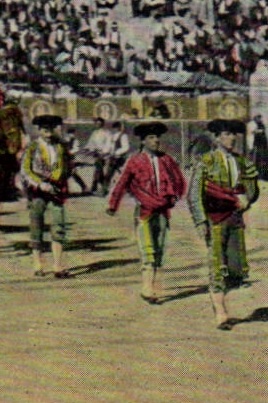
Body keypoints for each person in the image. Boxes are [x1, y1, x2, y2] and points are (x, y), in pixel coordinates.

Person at [188, 118, 260, 329]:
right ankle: (221, 312)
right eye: (227, 134)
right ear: (217, 138)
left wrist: (249, 197)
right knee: (217, 264)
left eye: (233, 134)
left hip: (235, 219)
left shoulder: (242, 162)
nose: (232, 138)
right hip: (214, 219)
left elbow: (252, 189)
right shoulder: (207, 161)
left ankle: (221, 302)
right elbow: (194, 193)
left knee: (237, 268)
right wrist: (201, 221)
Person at [107, 121, 187, 305]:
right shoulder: (135, 161)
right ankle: (147, 288)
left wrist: (175, 197)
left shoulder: (167, 160)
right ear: (143, 141)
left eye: (157, 137)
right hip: (144, 212)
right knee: (147, 249)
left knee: (160, 248)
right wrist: (113, 204)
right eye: (151, 137)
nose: (156, 140)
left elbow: (179, 181)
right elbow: (122, 183)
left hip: (163, 211)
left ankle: (155, 287)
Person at [21, 114, 72, 278]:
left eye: (50, 128)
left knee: (59, 225)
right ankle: (38, 264)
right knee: (36, 225)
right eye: (44, 128)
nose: (48, 131)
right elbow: (25, 170)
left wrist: (61, 181)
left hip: (56, 190)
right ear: (39, 130)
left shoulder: (61, 147)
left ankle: (57, 265)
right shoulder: (32, 147)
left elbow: (68, 166)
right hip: (38, 191)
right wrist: (40, 184)